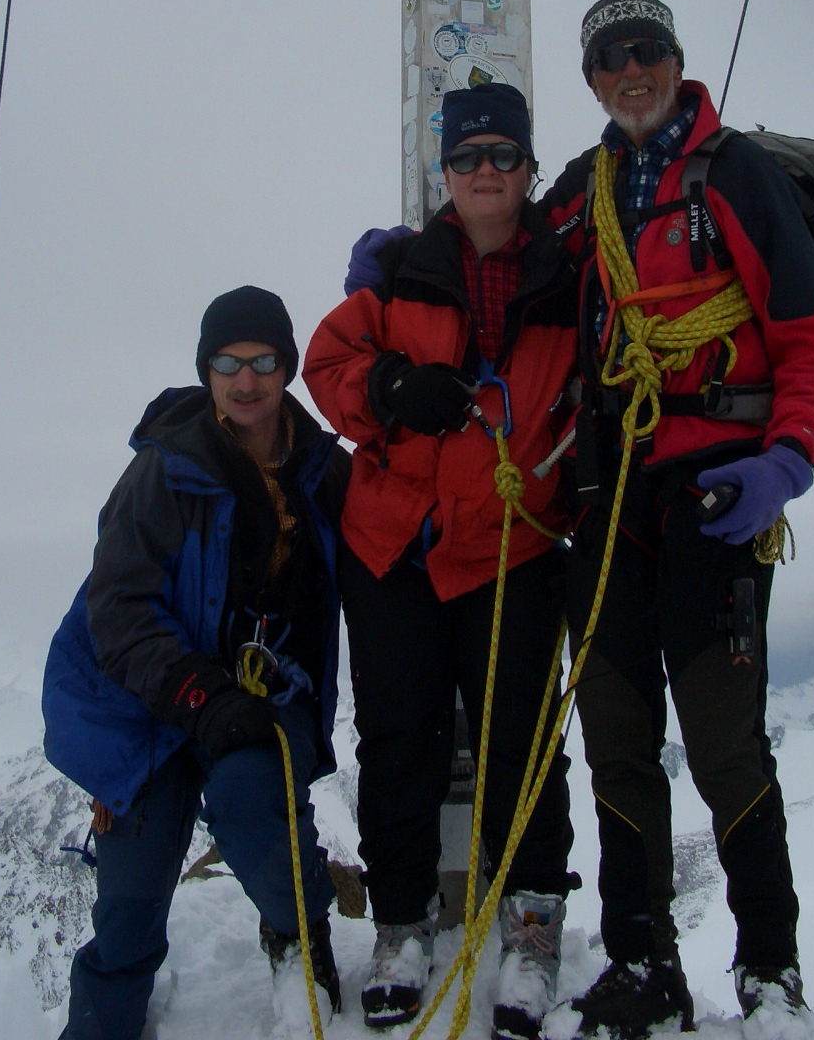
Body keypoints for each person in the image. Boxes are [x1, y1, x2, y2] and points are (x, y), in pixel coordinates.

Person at [537, 0, 814, 1032]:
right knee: (617, 731)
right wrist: (404, 266)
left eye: (648, 49)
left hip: (718, 484)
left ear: (676, 59)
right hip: (612, 490)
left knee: (722, 740)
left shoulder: (735, 174)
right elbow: (508, 261)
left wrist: (786, 465)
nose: (633, 70)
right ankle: (641, 960)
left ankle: (770, 971)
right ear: (592, 79)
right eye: (611, 57)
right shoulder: (586, 191)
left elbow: (809, 337)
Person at [304, 83, 580, 1040]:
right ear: (446, 173)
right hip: (397, 549)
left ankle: (532, 924)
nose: (485, 172)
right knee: (398, 743)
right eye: (467, 157)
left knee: (519, 738)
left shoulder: (567, 278)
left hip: (512, 545)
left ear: (529, 168)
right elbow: (327, 366)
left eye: (503, 155)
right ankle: (402, 925)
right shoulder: (398, 273)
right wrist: (388, 387)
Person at [42, 286, 349, 1040]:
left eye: (263, 362)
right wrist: (199, 696)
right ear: (206, 370)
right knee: (130, 902)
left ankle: (298, 929)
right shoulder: (163, 471)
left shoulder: (319, 472)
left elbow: (392, 532)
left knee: (252, 807)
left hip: (262, 694)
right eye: (228, 363)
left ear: (287, 368)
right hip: (143, 707)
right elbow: (118, 610)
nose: (246, 381)